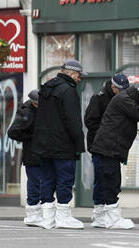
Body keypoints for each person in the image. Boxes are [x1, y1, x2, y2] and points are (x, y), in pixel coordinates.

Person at [92, 82, 139, 229]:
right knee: (111, 182)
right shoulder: (124, 99)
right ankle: (112, 219)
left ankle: (106, 217)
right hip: (108, 148)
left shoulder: (126, 99)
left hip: (110, 148)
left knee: (110, 182)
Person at [32, 59, 86, 229]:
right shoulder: (68, 91)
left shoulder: (46, 88)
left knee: (47, 179)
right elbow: (73, 120)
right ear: (71, 73)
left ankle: (47, 218)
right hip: (63, 144)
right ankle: (63, 217)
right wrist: (79, 142)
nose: (79, 79)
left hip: (44, 145)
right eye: (79, 76)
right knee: (65, 180)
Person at [84, 74, 129, 228]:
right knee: (103, 179)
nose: (122, 92)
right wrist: (106, 133)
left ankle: (102, 213)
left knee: (109, 178)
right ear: (113, 87)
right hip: (100, 145)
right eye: (120, 90)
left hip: (113, 146)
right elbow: (90, 121)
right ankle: (99, 213)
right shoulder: (99, 98)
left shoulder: (120, 99)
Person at [8, 90, 42, 227]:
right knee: (34, 184)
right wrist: (31, 137)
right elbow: (13, 132)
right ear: (34, 103)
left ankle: (40, 213)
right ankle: (32, 214)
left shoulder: (41, 110)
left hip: (43, 153)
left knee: (43, 184)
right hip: (32, 154)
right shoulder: (26, 112)